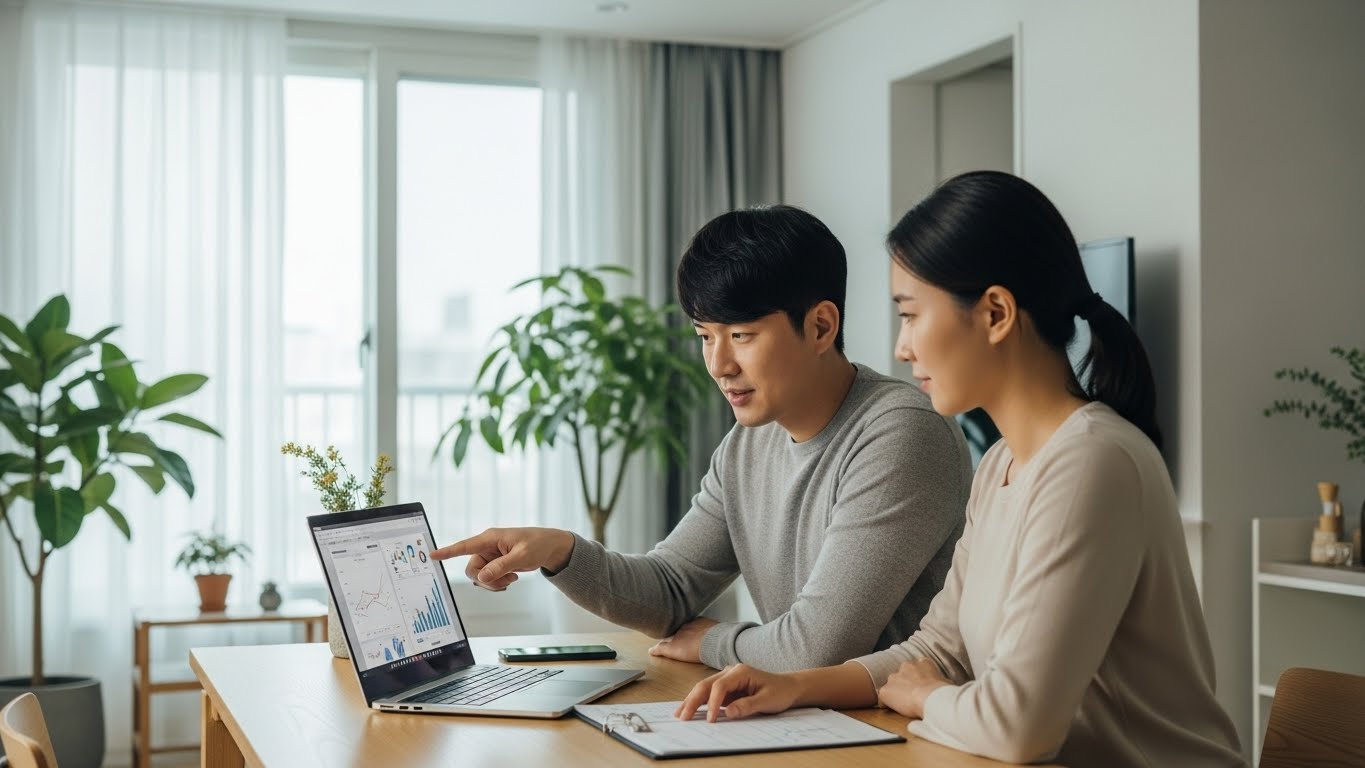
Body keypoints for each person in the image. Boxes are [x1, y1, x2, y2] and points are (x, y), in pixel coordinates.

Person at [676, 172, 1246, 767]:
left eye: (912, 315)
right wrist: (797, 686)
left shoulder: (1093, 462)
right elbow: (939, 649)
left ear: (995, 313)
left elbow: (1018, 728)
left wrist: (928, 698)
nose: (901, 348)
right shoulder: (1002, 462)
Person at [434, 205, 972, 673]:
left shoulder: (901, 431)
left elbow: (817, 649)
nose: (718, 364)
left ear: (821, 327)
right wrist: (561, 553)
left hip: (901, 736)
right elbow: (669, 590)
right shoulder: (748, 444)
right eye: (704, 336)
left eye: (741, 335)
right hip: (811, 724)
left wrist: (713, 641)